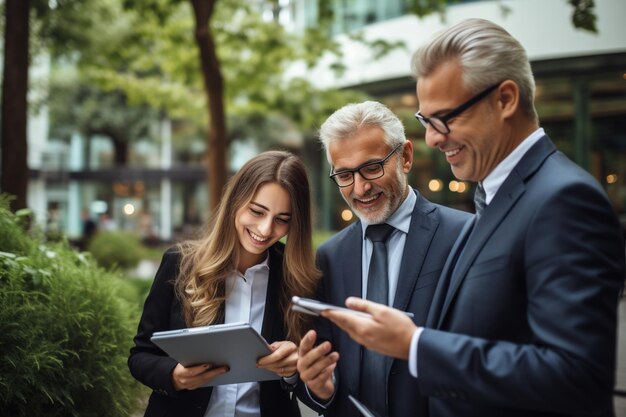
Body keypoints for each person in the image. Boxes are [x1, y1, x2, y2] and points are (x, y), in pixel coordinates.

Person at [322, 18, 626, 417]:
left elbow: (575, 376)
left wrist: (415, 345)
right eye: (426, 121)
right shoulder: (496, 198)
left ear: (505, 100)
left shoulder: (564, 199)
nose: (433, 137)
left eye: (444, 117)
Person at [295, 101, 470, 417]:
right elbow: (324, 380)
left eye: (372, 167)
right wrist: (319, 386)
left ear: (405, 156)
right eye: (345, 175)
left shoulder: (464, 236)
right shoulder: (329, 256)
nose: (360, 188)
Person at [128, 151, 321, 417]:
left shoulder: (297, 278)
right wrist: (173, 376)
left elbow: (312, 379)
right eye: (257, 211)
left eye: (282, 219)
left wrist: (293, 369)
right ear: (235, 201)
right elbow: (140, 356)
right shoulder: (179, 263)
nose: (265, 229)